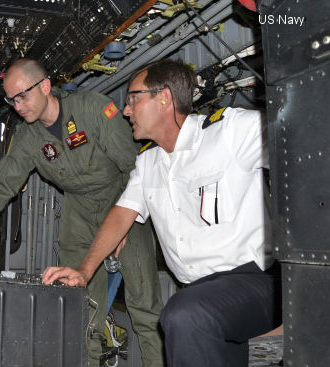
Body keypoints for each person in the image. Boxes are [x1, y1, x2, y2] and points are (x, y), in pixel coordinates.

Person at [42, 59, 282, 366]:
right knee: (190, 314)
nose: (126, 111)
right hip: (199, 293)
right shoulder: (148, 163)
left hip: (255, 283)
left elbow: (299, 142)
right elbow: (122, 213)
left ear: (164, 98)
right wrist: (85, 271)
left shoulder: (230, 131)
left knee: (184, 315)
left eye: (133, 99)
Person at [0, 59, 164, 367]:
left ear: (44, 87)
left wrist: (123, 222)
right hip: (79, 210)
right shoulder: (30, 137)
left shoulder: (93, 109)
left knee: (144, 304)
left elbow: (132, 167)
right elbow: (4, 179)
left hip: (123, 198)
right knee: (81, 303)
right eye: (11, 100)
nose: (18, 106)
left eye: (23, 96)